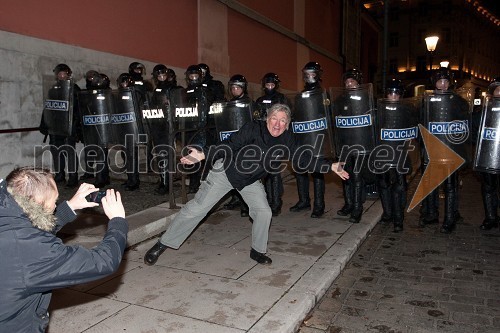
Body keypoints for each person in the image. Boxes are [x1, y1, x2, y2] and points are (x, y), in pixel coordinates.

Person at [143, 103, 349, 266]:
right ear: (267, 118)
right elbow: (230, 145)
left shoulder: (287, 140)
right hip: (225, 172)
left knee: (264, 212)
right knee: (196, 209)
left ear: (287, 124)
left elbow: (304, 159)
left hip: (249, 181)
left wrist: (329, 166)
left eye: (283, 121)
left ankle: (257, 251)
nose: (277, 124)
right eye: (274, 119)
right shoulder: (253, 128)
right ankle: (163, 243)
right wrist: (204, 154)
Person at [0, 167, 128, 332]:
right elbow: (102, 261)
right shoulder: (33, 251)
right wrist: (118, 221)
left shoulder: (8, 214)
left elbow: (28, 231)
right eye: (54, 201)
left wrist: (70, 206)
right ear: (37, 204)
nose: (55, 205)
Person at [419, 67, 469, 233]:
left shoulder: (459, 102)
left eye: (445, 81)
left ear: (450, 83)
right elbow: (421, 124)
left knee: (450, 185)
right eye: (439, 81)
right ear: (434, 83)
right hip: (432, 150)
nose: (442, 85)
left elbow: (464, 129)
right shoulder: (428, 101)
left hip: (450, 151)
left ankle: (450, 218)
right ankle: (431, 214)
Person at [333, 68, 375, 223]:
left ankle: (357, 208)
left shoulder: (366, 98)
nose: (350, 84)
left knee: (357, 176)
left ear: (358, 82)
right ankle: (349, 204)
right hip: (344, 145)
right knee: (345, 176)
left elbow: (373, 121)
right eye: (347, 82)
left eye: (352, 81)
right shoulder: (339, 100)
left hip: (360, 144)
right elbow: (334, 121)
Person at [290, 62, 330, 218]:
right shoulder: (301, 95)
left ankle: (319, 205)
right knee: (300, 170)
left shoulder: (323, 95)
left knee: (317, 172)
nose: (309, 77)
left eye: (312, 74)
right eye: (306, 74)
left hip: (318, 140)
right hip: (303, 139)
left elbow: (328, 116)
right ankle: (304, 201)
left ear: (318, 75)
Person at [375, 79, 416, 232]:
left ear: (400, 95)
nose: (393, 96)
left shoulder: (407, 109)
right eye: (390, 93)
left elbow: (414, 129)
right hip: (383, 152)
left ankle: (398, 219)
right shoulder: (380, 109)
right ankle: (388, 213)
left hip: (400, 153)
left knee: (399, 186)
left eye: (396, 93)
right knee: (384, 184)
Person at [40, 64, 81, 188]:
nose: (62, 76)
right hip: (55, 127)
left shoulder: (74, 89)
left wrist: (76, 126)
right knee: (56, 152)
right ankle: (60, 175)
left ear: (68, 75)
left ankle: (73, 177)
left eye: (64, 74)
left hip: (69, 127)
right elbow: (48, 107)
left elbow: (79, 109)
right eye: (60, 74)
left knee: (70, 152)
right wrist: (45, 123)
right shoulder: (53, 89)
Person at [222, 74, 255, 217]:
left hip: (247, 145)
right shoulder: (228, 104)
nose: (235, 90)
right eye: (233, 88)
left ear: (243, 88)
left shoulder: (249, 103)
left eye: (238, 87)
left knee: (247, 177)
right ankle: (238, 200)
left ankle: (246, 206)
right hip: (235, 144)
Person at [256, 73, 288, 216]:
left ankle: (276, 202)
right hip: (264, 138)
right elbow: (256, 117)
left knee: (274, 171)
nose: (269, 87)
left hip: (277, 138)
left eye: (272, 85)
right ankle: (269, 200)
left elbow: (286, 118)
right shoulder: (260, 100)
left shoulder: (281, 99)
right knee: (265, 172)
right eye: (267, 85)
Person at [148, 64, 181, 195]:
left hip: (169, 125)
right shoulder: (156, 90)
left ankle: (167, 183)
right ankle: (163, 179)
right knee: (160, 154)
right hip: (158, 125)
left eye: (163, 75)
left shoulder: (173, 89)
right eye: (159, 75)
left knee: (167, 154)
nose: (161, 77)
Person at [475, 77, 500, 230]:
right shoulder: (486, 108)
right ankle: (491, 217)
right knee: (488, 186)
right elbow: (476, 127)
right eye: (498, 89)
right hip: (489, 155)